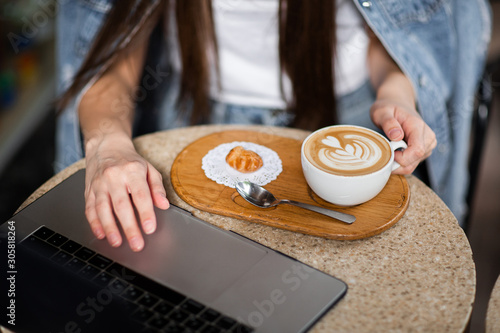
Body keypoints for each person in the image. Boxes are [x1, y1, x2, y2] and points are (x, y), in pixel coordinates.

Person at [55, 0, 491, 251]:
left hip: (349, 118)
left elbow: (387, 35)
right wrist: (108, 144)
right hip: (194, 113)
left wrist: (396, 97)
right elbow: (113, 56)